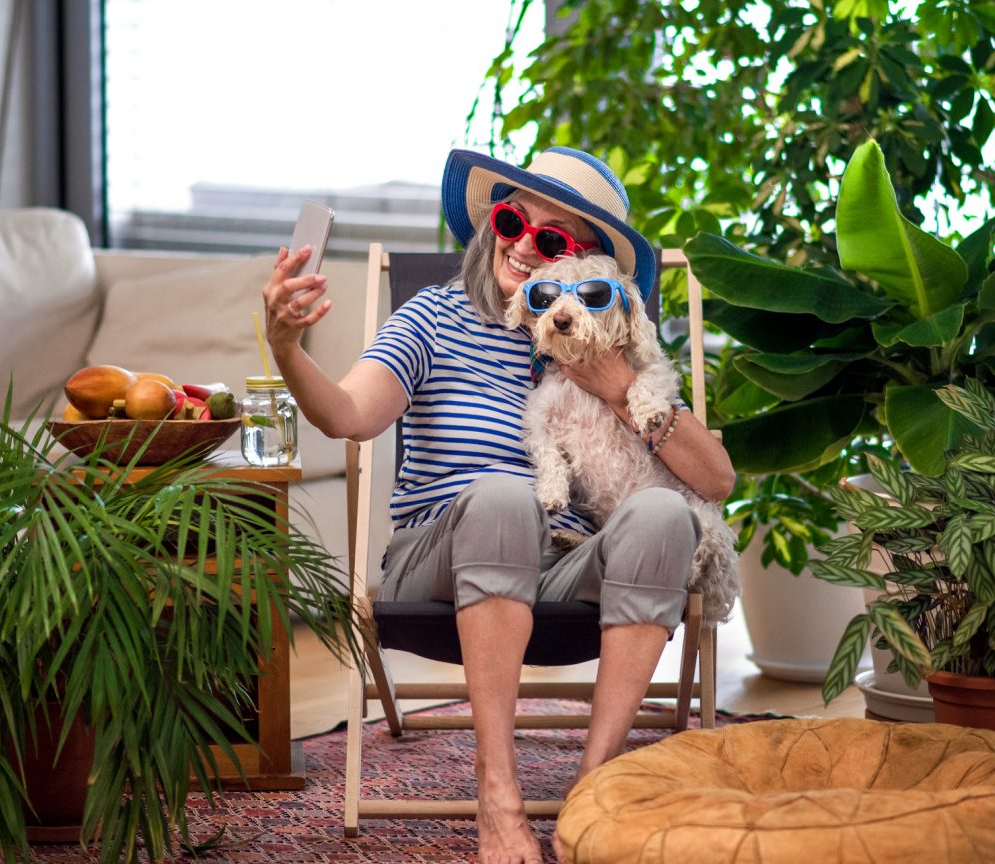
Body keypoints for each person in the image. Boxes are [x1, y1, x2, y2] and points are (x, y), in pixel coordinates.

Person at [262, 146, 735, 864]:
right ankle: (498, 793)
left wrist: (615, 387)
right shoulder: (434, 317)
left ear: (585, 263)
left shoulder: (601, 338)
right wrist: (287, 348)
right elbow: (346, 416)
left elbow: (717, 480)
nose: (523, 245)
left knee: (667, 515)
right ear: (491, 222)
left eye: (553, 239)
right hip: (441, 555)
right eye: (513, 221)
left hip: (562, 564)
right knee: (507, 497)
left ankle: (593, 785)